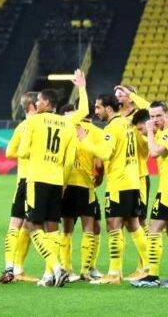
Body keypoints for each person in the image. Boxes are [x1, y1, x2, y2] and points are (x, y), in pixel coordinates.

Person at [83, 94, 150, 285]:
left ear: (109, 109)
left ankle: (114, 273)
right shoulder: (129, 124)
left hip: (118, 184)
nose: (96, 111)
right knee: (133, 225)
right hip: (133, 182)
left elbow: (104, 153)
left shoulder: (111, 128)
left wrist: (85, 140)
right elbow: (143, 150)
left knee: (113, 225)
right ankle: (148, 267)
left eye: (98, 107)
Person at [16, 86, 79, 287]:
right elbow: (69, 161)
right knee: (52, 226)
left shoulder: (33, 121)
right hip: (57, 181)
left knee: (34, 225)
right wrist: (63, 182)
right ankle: (50, 274)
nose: (36, 104)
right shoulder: (68, 125)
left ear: (47, 103)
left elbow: (23, 151)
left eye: (40, 101)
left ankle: (57, 268)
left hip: (37, 178)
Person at [132, 101, 168, 289]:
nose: (155, 120)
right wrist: (133, 95)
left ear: (167, 114)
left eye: (158, 116)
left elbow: (155, 152)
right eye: (152, 117)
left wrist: (149, 132)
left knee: (154, 229)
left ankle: (153, 275)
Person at [61, 101, 105, 282]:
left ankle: (66, 269)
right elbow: (100, 164)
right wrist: (98, 181)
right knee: (91, 227)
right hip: (86, 185)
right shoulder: (97, 132)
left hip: (65, 183)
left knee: (66, 228)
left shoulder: (66, 127)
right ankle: (87, 270)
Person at [115, 84, 153, 280]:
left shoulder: (140, 118)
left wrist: (133, 95)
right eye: (117, 94)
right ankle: (118, 269)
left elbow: (150, 108)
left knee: (140, 221)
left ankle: (144, 266)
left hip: (139, 175)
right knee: (120, 223)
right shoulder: (116, 119)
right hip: (122, 178)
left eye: (122, 94)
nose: (118, 96)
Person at [0, 94, 35, 284]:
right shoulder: (29, 126)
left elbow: (11, 152)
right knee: (30, 225)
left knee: (20, 224)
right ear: (31, 106)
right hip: (33, 181)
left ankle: (11, 268)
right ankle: (15, 268)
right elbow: (10, 153)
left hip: (24, 181)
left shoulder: (23, 127)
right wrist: (30, 153)